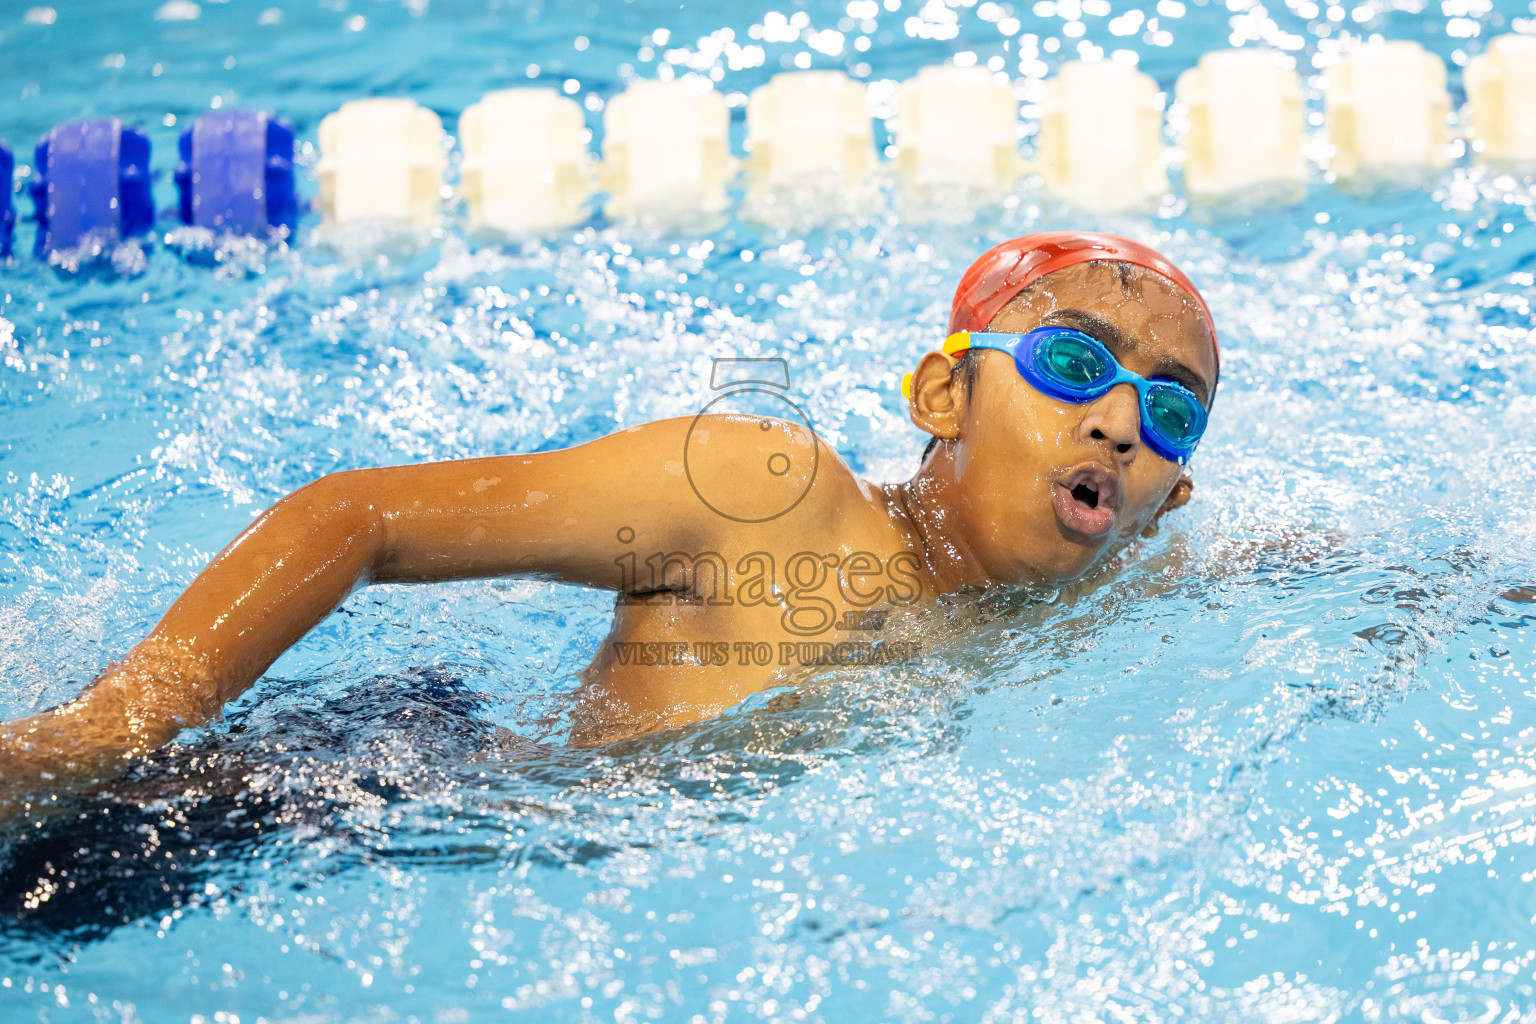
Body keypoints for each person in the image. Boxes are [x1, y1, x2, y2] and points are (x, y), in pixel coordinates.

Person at [0, 231, 1219, 813]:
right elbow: (359, 512)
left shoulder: (1096, 590)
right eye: (1073, 363)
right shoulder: (772, 495)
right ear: (944, 396)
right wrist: (119, 719)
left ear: (1168, 498)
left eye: (1171, 411)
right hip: (360, 797)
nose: (1121, 421)